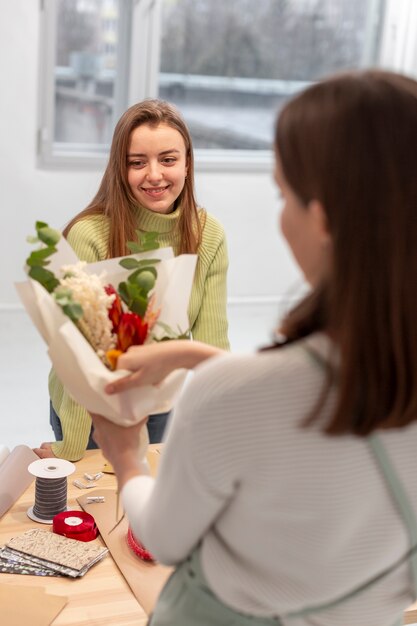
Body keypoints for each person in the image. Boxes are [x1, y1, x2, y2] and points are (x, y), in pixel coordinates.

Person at [91, 69, 417, 626]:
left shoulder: (235, 393)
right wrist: (202, 360)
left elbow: (166, 538)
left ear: (322, 218)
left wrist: (124, 456)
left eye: (283, 195)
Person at [34, 99, 229, 461]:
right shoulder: (88, 235)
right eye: (137, 162)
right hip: (88, 412)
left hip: (155, 405)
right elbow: (79, 357)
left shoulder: (208, 234)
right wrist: (71, 450)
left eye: (168, 159)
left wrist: (225, 433)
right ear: (119, 169)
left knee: (136, 510)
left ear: (187, 163)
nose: (154, 174)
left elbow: (212, 342)